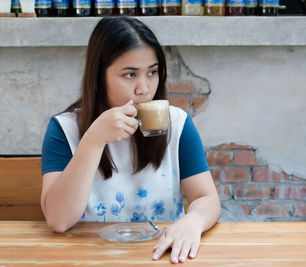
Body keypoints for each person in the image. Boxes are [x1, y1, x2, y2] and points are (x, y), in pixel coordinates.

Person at [40, 16, 221, 264]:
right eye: (130, 75)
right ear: (99, 76)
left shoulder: (177, 124)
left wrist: (193, 222)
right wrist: (93, 140)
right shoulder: (65, 129)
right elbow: (58, 220)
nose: (144, 88)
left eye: (152, 72)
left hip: (162, 256)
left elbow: (206, 199)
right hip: (88, 258)